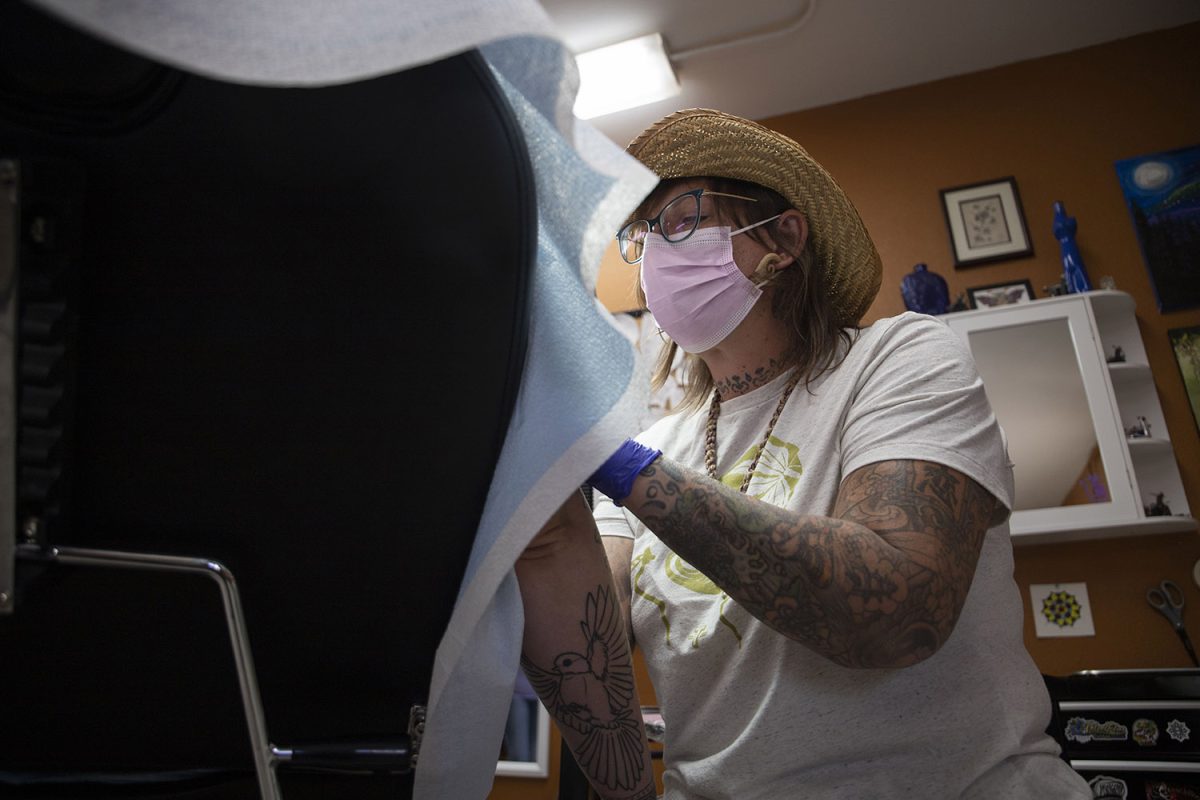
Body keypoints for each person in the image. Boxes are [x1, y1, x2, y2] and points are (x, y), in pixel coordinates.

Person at [519, 108, 1091, 799]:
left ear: (781, 240)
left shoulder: (900, 358)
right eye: (640, 237)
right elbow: (589, 638)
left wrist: (621, 468)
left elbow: (897, 615)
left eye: (680, 220)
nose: (654, 258)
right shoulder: (652, 446)